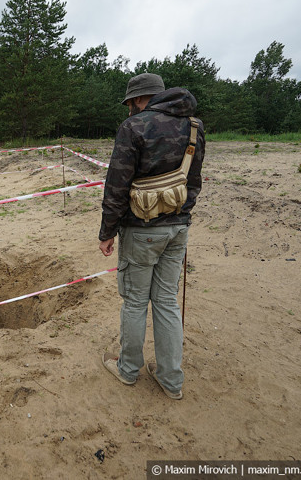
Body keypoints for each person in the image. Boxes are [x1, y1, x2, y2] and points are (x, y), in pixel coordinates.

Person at [99, 72, 205, 400]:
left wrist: (107, 231)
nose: (130, 109)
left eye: (131, 102)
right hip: (178, 228)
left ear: (139, 99)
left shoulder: (134, 127)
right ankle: (170, 379)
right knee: (165, 301)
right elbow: (194, 180)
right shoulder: (194, 127)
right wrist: (180, 217)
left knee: (135, 302)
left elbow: (117, 184)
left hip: (141, 230)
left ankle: (128, 370)